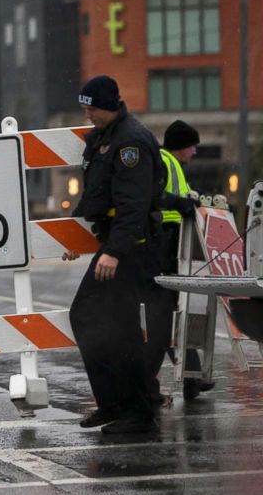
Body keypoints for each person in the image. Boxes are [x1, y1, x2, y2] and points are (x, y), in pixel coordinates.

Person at [63, 75, 165, 434]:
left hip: (130, 250)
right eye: (84, 106)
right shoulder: (108, 137)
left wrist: (115, 252)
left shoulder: (130, 143)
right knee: (104, 323)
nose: (87, 113)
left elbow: (133, 206)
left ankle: (135, 412)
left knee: (101, 322)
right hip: (116, 246)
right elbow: (98, 199)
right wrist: (72, 239)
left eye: (91, 107)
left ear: (108, 105)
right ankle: (120, 404)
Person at [145, 120, 210, 403]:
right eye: (193, 145)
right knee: (167, 311)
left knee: (171, 309)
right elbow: (156, 196)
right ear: (181, 145)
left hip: (170, 242)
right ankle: (186, 376)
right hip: (166, 242)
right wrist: (182, 205)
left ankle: (192, 375)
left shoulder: (172, 164)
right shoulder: (165, 161)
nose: (195, 151)